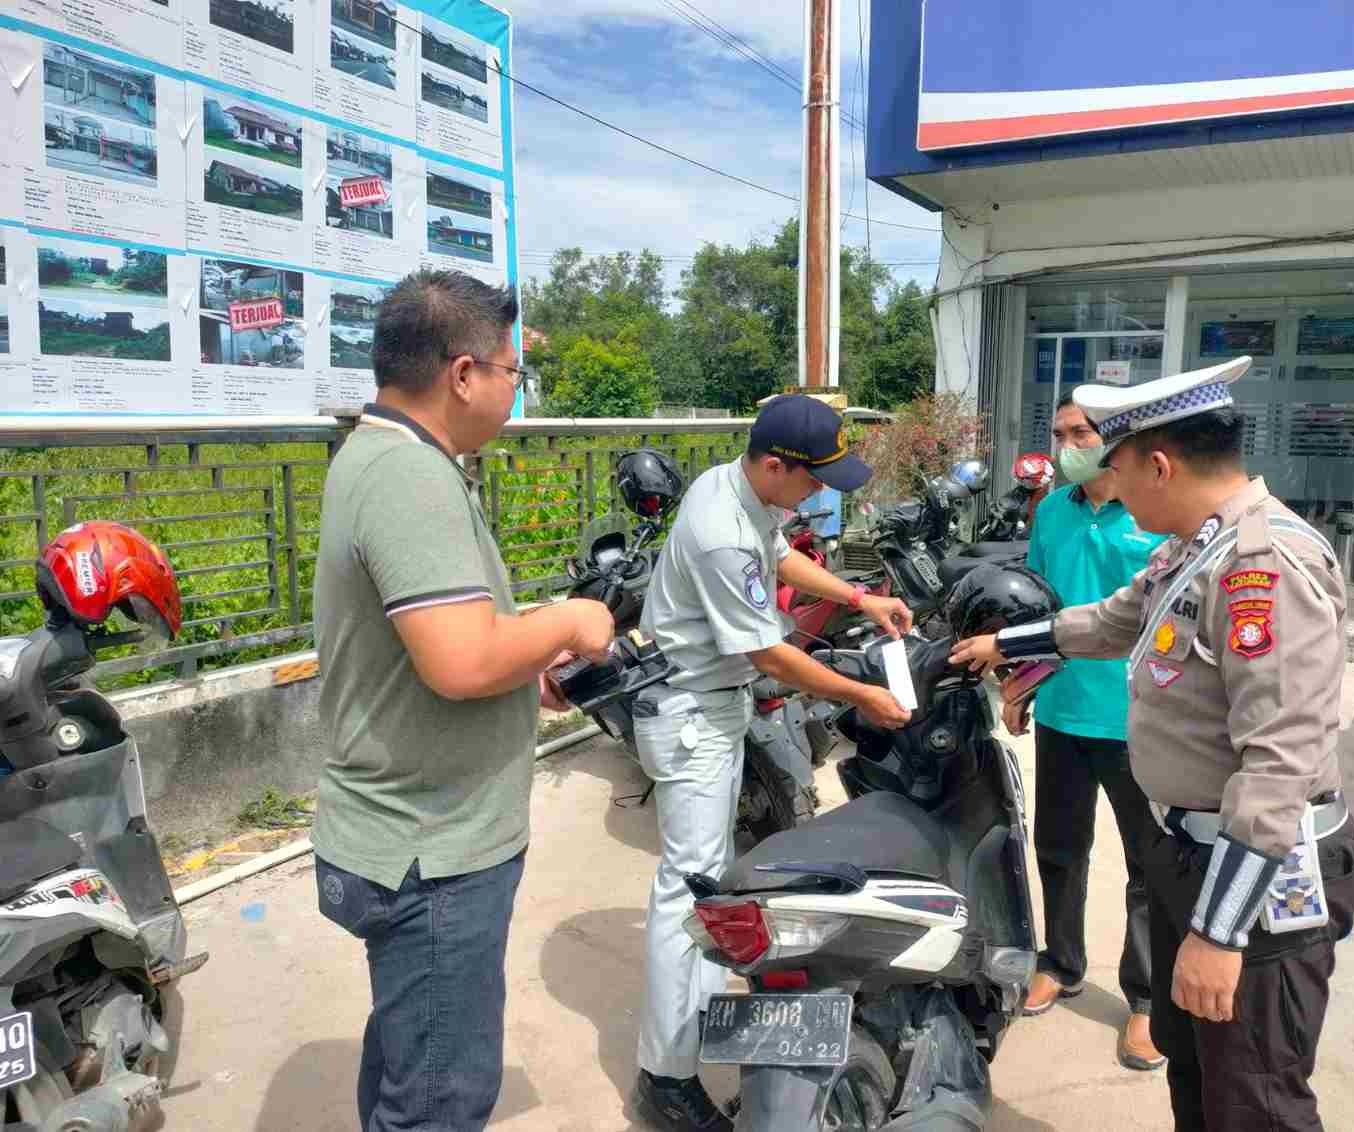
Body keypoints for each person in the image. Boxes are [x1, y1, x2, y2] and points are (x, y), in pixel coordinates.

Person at [952, 357, 1354, 1131]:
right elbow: (1116, 617)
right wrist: (1007, 644)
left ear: (1160, 464)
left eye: (1117, 465)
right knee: (1199, 1072)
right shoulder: (1196, 545)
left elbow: (1278, 760)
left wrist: (1219, 930)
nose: (1111, 483)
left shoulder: (1261, 565)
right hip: (1195, 855)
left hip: (1258, 888)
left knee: (1254, 1100)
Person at [310, 270, 616, 1132]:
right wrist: (572, 620)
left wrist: (529, 672)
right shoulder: (408, 477)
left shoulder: (384, 457)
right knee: (441, 1098)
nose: (517, 386)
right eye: (513, 369)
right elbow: (459, 661)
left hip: (408, 835)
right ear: (463, 374)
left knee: (412, 1057)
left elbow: (450, 647)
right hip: (430, 851)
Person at [633, 394, 915, 1132]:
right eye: (813, 479)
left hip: (709, 705)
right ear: (773, 465)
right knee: (687, 894)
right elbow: (765, 651)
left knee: (706, 880)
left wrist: (860, 595)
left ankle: (694, 1023)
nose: (820, 493)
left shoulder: (734, 487)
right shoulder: (722, 527)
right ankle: (666, 1076)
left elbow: (780, 554)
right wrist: (862, 693)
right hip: (692, 713)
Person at [1008, 391, 1168, 1071]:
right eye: (1059, 432)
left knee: (1149, 865)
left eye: (1080, 433)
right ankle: (1061, 961)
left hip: (1139, 720)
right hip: (1063, 710)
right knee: (1060, 848)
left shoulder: (1153, 516)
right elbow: (1037, 604)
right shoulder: (1050, 511)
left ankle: (1146, 1001)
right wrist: (1019, 684)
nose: (1068, 443)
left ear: (1114, 440)